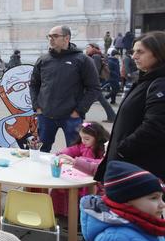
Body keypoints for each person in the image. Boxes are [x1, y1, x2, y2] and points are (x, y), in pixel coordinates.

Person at [95, 31, 165, 182]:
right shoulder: (146, 80)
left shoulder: (159, 83)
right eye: (133, 52)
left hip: (137, 169)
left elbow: (154, 127)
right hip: (129, 165)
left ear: (159, 53)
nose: (134, 57)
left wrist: (122, 149)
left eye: (140, 52)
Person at [30, 25, 100, 153]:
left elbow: (94, 88)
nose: (51, 39)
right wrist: (37, 107)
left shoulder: (83, 60)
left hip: (71, 117)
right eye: (49, 36)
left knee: (74, 153)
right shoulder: (43, 60)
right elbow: (34, 85)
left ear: (67, 38)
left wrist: (79, 111)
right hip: (45, 116)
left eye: (55, 36)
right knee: (40, 152)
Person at [50, 121, 109, 216]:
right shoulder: (83, 146)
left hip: (94, 180)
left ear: (97, 137)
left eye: (86, 138)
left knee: (81, 191)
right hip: (80, 175)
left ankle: (78, 215)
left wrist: (78, 160)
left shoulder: (103, 149)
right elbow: (72, 149)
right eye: (81, 138)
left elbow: (100, 163)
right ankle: (60, 211)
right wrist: (62, 154)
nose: (83, 141)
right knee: (61, 186)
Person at [85, 43, 116, 122]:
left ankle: (78, 115)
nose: (86, 49)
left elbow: (95, 70)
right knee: (100, 100)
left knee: (89, 99)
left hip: (93, 83)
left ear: (93, 48)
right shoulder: (94, 56)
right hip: (93, 82)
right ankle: (112, 116)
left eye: (88, 47)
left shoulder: (96, 56)